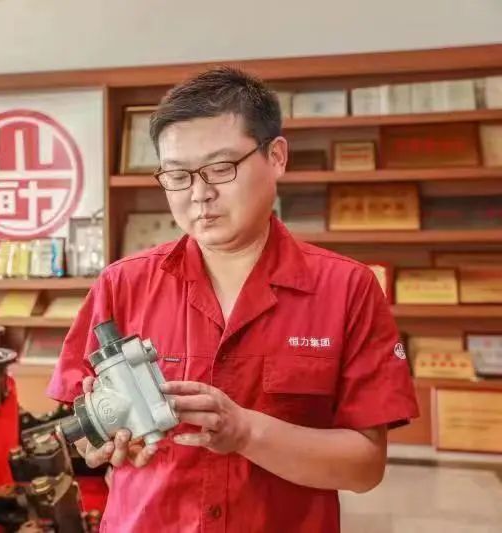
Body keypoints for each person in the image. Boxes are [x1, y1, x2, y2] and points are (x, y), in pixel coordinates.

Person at [47, 67, 418, 532]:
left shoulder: (347, 288)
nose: (200, 194)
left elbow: (364, 468)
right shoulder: (122, 283)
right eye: (177, 175)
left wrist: (245, 432)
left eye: (221, 169)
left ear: (276, 156)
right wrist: (101, 445)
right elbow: (81, 434)